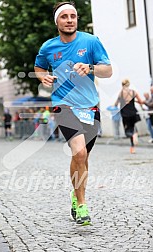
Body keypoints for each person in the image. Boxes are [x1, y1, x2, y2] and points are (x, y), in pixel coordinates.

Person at [34, 1, 112, 225]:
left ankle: (75, 194)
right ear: (57, 21)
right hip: (63, 104)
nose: (69, 20)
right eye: (64, 16)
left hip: (90, 106)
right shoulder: (48, 47)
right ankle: (82, 203)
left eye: (73, 16)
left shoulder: (91, 42)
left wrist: (91, 68)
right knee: (78, 153)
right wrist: (43, 77)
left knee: (83, 157)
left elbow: (108, 70)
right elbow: (39, 67)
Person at [114, 79, 143, 154]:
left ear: (122, 85)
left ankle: (133, 137)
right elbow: (141, 101)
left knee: (127, 130)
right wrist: (134, 101)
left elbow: (116, 104)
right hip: (133, 112)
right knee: (132, 126)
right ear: (129, 84)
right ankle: (134, 136)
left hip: (125, 113)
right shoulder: (133, 92)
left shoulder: (121, 93)